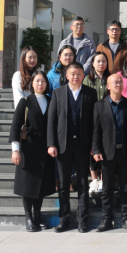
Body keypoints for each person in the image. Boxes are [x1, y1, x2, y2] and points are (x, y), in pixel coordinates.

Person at [47, 63, 98, 233]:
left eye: (78, 74)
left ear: (83, 75)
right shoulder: (58, 93)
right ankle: (64, 220)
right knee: (63, 184)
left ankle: (82, 221)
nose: (75, 77)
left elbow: (94, 122)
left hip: (83, 145)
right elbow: (52, 120)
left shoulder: (91, 93)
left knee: (83, 183)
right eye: (72, 74)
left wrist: (94, 145)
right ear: (67, 75)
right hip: (63, 145)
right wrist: (51, 144)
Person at [9, 71, 56, 232]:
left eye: (43, 81)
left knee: (41, 185)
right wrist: (15, 150)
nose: (40, 84)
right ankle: (28, 217)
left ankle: (37, 216)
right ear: (32, 84)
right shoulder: (25, 102)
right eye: (37, 81)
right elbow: (16, 126)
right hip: (28, 148)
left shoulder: (50, 101)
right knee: (27, 184)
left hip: (45, 148)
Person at [92, 75, 127, 233]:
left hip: (126, 152)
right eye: (115, 82)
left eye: (120, 82)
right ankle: (106, 219)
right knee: (107, 188)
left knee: (126, 187)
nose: (118, 84)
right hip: (107, 152)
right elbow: (96, 130)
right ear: (108, 86)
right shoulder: (99, 105)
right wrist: (96, 150)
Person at [82, 51, 110, 196]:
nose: (101, 64)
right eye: (98, 61)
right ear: (93, 64)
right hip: (91, 117)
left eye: (104, 61)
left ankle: (103, 180)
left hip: (106, 117)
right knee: (92, 148)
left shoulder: (110, 79)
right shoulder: (87, 79)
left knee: (104, 148)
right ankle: (94, 180)